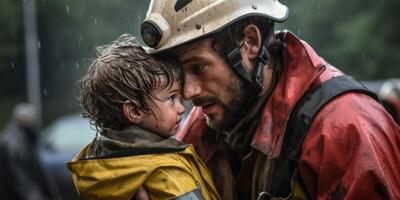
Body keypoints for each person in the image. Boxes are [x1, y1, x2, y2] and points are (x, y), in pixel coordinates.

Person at [139, 0, 400, 199]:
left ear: (250, 42)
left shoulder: (346, 130)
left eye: (198, 67)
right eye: (180, 74)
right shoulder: (204, 127)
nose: (187, 93)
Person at [66, 34, 221, 200]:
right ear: (134, 112)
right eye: (171, 98)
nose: (182, 108)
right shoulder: (163, 170)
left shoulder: (100, 167)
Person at [0, 103, 60, 200]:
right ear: (23, 120)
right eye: (32, 120)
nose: (35, 123)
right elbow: (20, 180)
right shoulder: (12, 144)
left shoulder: (26, 140)